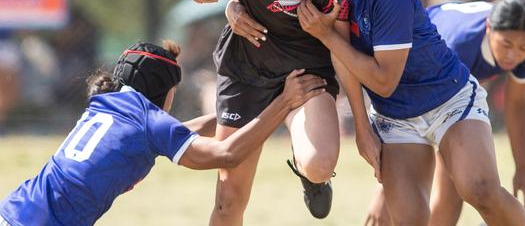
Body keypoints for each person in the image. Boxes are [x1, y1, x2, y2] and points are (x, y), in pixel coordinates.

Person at [297, 0, 525, 226]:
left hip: (448, 101)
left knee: (479, 190)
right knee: (409, 220)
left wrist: (327, 36)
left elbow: (384, 80)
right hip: (395, 119)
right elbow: (345, 62)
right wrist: (363, 131)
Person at [159, 0, 350, 222]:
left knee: (319, 165)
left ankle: (311, 178)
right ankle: (253, 118)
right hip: (246, 67)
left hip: (306, 73)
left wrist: (363, 130)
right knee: (228, 200)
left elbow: (345, 44)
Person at [0, 40, 325, 226]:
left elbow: (175, 134)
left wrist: (250, 107)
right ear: (162, 91)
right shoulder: (148, 121)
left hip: (16, 210)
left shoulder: (109, 104)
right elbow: (227, 154)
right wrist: (284, 102)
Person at [365, 0, 525, 225]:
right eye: (506, 44)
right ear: (489, 28)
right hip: (411, 80)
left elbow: (517, 106)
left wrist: (522, 169)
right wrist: (385, 189)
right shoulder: (457, 47)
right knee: (432, 197)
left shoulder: (523, 41)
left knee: (468, 185)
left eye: (523, 47)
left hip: (452, 89)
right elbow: (398, 97)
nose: (513, 55)